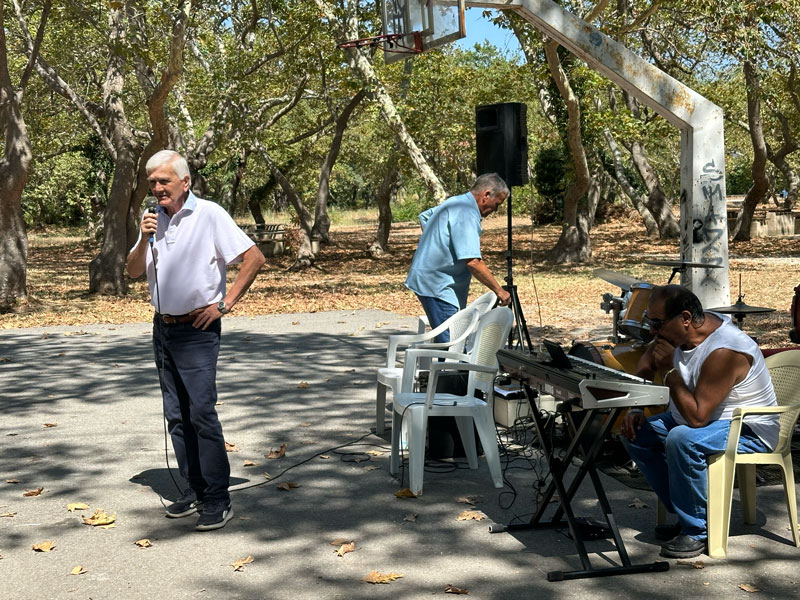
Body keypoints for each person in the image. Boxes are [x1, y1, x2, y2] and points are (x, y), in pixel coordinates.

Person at [127, 150, 266, 531]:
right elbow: (133, 271)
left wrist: (226, 303)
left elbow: (254, 257)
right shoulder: (151, 221)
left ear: (184, 182)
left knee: (201, 412)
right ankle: (195, 488)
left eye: (163, 182)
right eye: (152, 182)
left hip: (198, 329)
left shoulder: (209, 215)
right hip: (163, 327)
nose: (156, 188)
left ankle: (218, 499)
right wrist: (142, 237)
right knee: (176, 414)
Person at [620, 285, 778, 559]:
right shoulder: (678, 333)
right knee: (634, 433)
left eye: (657, 323)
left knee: (681, 438)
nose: (653, 331)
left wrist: (670, 369)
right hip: (698, 418)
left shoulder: (725, 350)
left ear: (684, 318)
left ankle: (697, 531)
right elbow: (645, 365)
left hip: (747, 428)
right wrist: (635, 407)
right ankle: (687, 511)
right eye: (649, 321)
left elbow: (697, 418)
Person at [405, 173, 512, 343]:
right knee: (452, 344)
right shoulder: (467, 213)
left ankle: (446, 368)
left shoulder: (456, 202)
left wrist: (439, 243)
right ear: (486, 195)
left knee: (450, 341)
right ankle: (447, 370)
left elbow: (425, 217)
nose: (496, 210)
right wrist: (499, 291)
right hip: (439, 286)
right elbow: (473, 262)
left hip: (428, 280)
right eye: (497, 204)